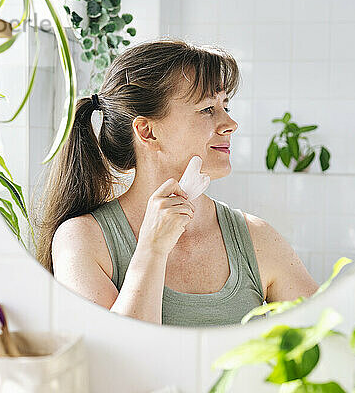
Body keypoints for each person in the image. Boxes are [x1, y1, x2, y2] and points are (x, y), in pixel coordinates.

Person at [36, 38, 319, 327]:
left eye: (226, 106)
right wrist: (152, 249)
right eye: (208, 109)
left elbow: (325, 338)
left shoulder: (257, 239)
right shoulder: (82, 239)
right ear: (147, 131)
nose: (230, 124)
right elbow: (119, 358)